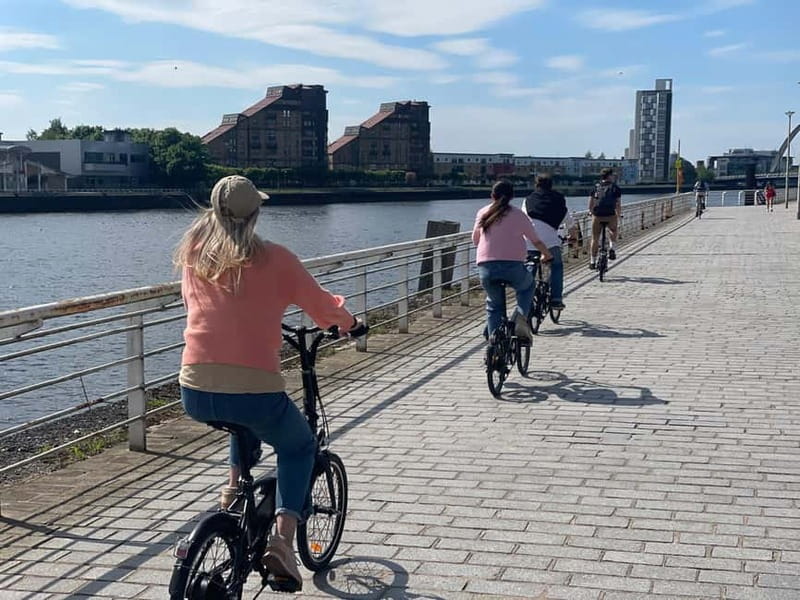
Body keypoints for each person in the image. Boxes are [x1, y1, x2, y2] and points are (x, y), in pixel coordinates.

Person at [174, 175, 364, 590]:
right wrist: (349, 324)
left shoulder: (193, 255)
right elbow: (322, 308)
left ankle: (231, 491)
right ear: (256, 213)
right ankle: (281, 540)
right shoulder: (275, 258)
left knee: (238, 418)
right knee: (297, 446)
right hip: (254, 388)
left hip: (194, 387)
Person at [473, 180, 552, 343]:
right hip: (513, 266)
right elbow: (535, 241)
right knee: (528, 286)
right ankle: (520, 318)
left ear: (491, 196)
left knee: (494, 305)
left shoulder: (483, 213)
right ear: (512, 197)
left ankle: (494, 346)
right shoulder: (518, 215)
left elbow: (476, 240)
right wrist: (547, 254)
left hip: (486, 267)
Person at [521, 174, 577, 310]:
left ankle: (524, 298)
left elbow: (522, 220)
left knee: (530, 265)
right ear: (552, 185)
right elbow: (570, 224)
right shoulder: (558, 200)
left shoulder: (528, 200)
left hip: (530, 241)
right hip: (550, 242)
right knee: (556, 266)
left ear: (536, 185)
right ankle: (556, 299)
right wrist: (573, 238)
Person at [588, 167, 622, 269]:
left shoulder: (595, 187)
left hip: (597, 215)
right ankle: (612, 248)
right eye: (613, 175)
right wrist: (618, 215)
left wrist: (590, 212)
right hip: (610, 215)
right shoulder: (615, 188)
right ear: (609, 176)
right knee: (613, 230)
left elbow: (591, 203)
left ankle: (592, 262)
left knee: (595, 238)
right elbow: (618, 205)